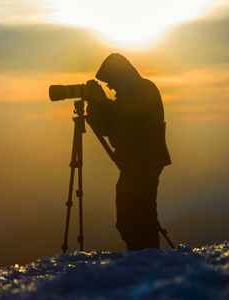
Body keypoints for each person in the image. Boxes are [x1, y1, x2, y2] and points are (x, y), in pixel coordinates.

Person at [85, 53, 171, 251]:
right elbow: (108, 128)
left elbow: (129, 118)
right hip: (134, 163)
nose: (109, 86)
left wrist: (103, 102)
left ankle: (148, 258)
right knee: (128, 216)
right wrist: (95, 105)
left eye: (110, 81)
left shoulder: (144, 90)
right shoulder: (130, 94)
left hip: (145, 162)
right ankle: (139, 253)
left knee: (143, 214)